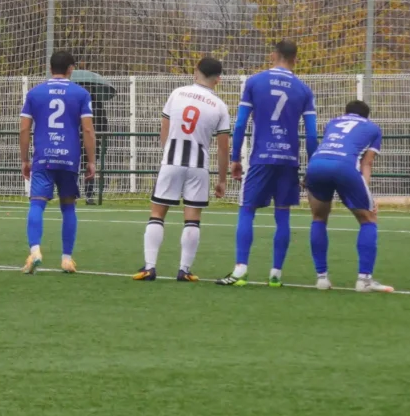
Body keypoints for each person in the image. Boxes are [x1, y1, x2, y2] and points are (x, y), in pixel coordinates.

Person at [222, 39, 319, 287]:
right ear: (295, 59)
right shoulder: (304, 89)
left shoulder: (254, 82)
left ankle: (241, 270)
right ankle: (276, 273)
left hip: (261, 157)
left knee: (247, 210)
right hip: (289, 159)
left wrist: (235, 158)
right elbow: (310, 134)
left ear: (273, 55)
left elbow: (241, 124)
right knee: (283, 214)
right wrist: (312, 167)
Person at [137, 58, 228, 281]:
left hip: (172, 160)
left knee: (157, 213)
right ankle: (184, 270)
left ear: (196, 72)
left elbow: (164, 129)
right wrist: (222, 180)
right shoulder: (219, 106)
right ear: (219, 79)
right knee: (192, 218)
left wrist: (168, 154)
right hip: (198, 165)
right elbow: (223, 147)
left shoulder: (178, 93)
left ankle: (149, 267)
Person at [18, 50, 96, 274]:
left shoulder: (35, 93)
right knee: (68, 206)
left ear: (50, 68)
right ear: (71, 68)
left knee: (37, 204)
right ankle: (66, 259)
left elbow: (24, 128)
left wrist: (24, 159)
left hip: (43, 157)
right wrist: (92, 161)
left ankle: (34, 251)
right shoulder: (81, 94)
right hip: (69, 158)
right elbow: (88, 129)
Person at [306, 99, 391, 292]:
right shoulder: (373, 128)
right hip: (344, 167)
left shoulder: (333, 123)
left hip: (316, 165)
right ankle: (364, 280)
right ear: (366, 116)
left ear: (346, 112)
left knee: (319, 217)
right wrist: (366, 194)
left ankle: (321, 278)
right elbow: (366, 163)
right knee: (368, 218)